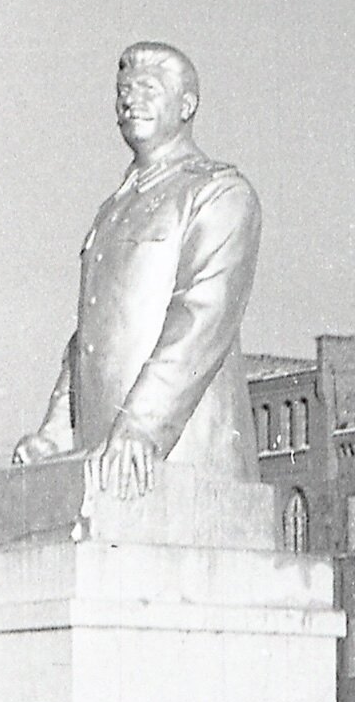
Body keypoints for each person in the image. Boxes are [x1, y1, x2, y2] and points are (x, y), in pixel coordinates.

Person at [13, 42, 262, 500]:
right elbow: (88, 336)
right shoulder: (112, 210)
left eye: (148, 89)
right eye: (123, 91)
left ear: (187, 105)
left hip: (181, 462)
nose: (130, 100)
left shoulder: (218, 193)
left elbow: (202, 318)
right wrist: (56, 432)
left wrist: (143, 425)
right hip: (106, 457)